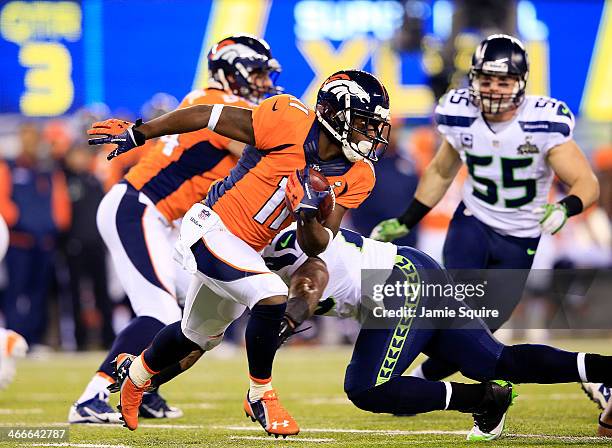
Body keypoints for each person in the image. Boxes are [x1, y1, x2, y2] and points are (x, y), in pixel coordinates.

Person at [88, 68, 391, 436]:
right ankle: (261, 393)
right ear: (333, 113)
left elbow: (317, 245)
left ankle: (135, 376)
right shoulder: (289, 120)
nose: (372, 134)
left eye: (375, 125)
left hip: (250, 249)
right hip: (212, 226)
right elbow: (208, 115)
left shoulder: (360, 175)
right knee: (272, 295)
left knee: (195, 336)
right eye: (364, 122)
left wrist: (308, 213)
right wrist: (140, 132)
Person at [68, 34, 283, 424]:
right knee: (159, 311)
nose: (264, 83)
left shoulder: (219, 100)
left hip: (165, 221)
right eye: (257, 73)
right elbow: (265, 151)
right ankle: (94, 397)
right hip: (139, 207)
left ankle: (146, 389)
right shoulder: (224, 105)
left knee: (204, 314)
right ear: (230, 72)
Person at [370, 34, 600, 382]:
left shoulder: (543, 121)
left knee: (485, 326)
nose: (493, 89)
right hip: (473, 222)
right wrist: (407, 219)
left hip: (520, 235)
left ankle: (423, 376)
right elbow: (442, 170)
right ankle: (404, 376)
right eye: (486, 79)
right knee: (457, 312)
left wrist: (566, 207)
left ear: (520, 83)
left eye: (503, 81)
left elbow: (587, 183)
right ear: (473, 78)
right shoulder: (459, 110)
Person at [0, 122, 71, 347]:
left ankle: (35, 340)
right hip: (19, 242)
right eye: (26, 137)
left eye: (33, 137)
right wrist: (18, 221)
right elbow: (3, 198)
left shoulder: (48, 169)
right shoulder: (9, 166)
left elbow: (60, 201)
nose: (30, 142)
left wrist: (55, 225)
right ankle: (14, 339)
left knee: (40, 293)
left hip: (45, 242)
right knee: (16, 292)